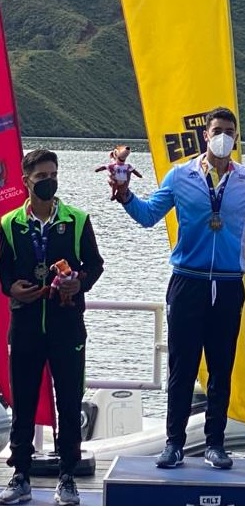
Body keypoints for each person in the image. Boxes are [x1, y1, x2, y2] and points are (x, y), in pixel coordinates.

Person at [115, 107, 245, 470]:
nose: (223, 136)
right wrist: (125, 194)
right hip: (188, 282)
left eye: (229, 131)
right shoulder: (180, 176)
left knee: (222, 368)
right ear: (205, 136)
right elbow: (149, 215)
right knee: (182, 366)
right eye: (217, 130)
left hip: (228, 285)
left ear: (236, 138)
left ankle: (215, 444)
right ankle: (174, 443)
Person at [0, 149, 104, 506]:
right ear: (26, 181)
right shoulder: (9, 223)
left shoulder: (76, 219)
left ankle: (68, 477)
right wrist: (11, 287)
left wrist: (81, 283)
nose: (49, 181)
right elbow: (2, 270)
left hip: (67, 327)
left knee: (69, 401)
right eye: (41, 176)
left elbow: (94, 263)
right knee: (24, 402)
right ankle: (21, 475)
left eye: (53, 174)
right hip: (26, 326)